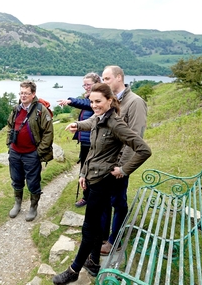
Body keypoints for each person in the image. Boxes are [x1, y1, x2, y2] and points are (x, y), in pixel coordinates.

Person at [52, 83, 151, 284]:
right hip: (93, 177)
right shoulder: (100, 118)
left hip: (102, 182)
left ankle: (74, 270)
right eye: (91, 101)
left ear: (109, 100)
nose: (94, 105)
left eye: (98, 101)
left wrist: (124, 170)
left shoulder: (116, 124)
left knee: (89, 227)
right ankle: (94, 261)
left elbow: (143, 150)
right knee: (98, 225)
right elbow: (91, 131)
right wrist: (77, 126)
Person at [65, 65, 148, 256]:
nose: (103, 82)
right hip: (103, 168)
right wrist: (78, 125)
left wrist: (123, 168)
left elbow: (136, 137)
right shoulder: (106, 101)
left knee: (118, 202)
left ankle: (114, 240)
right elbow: (95, 120)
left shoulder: (135, 102)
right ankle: (101, 238)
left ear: (119, 78)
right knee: (104, 205)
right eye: (102, 78)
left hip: (117, 167)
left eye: (107, 78)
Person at [6, 80, 54, 222]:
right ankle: (17, 203)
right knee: (16, 179)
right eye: (21, 93)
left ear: (33, 94)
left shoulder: (41, 110)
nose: (23, 96)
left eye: (26, 93)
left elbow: (48, 133)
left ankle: (33, 207)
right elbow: (10, 126)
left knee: (33, 182)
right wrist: (9, 144)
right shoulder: (16, 109)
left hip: (31, 154)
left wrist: (38, 152)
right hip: (15, 152)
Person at [57, 72, 101, 208]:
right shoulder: (89, 97)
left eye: (88, 84)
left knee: (89, 169)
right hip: (86, 140)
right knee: (84, 168)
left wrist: (70, 101)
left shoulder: (96, 98)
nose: (86, 87)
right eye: (84, 85)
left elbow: (86, 104)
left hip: (93, 140)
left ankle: (88, 197)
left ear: (96, 83)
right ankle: (87, 196)